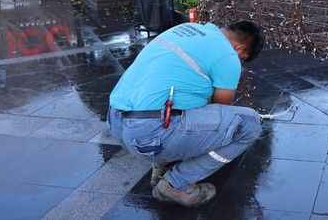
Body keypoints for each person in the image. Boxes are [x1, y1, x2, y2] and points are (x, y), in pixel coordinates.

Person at [108, 20, 264, 207]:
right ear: (239, 49)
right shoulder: (228, 56)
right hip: (149, 134)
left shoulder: (184, 30)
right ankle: (175, 184)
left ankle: (164, 163)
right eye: (242, 58)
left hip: (116, 121)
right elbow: (222, 107)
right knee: (248, 124)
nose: (239, 62)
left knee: (190, 108)